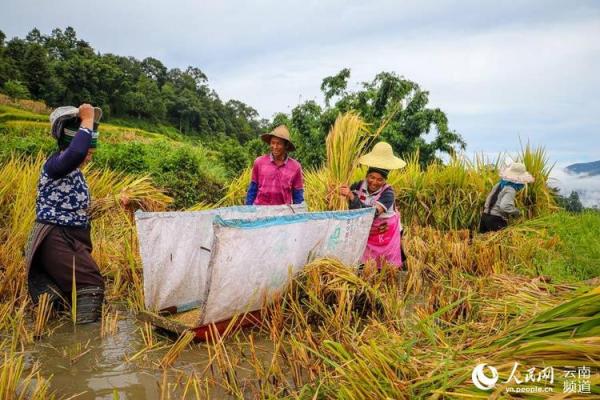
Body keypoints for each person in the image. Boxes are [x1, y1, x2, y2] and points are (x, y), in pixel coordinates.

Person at [24, 103, 105, 324]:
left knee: (60, 299)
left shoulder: (74, 173)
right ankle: (87, 347)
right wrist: (87, 119)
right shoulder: (55, 165)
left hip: (69, 238)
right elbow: (76, 151)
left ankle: (58, 346)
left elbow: (78, 208)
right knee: (89, 284)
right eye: (88, 150)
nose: (88, 155)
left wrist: (116, 202)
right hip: (57, 237)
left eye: (91, 151)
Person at [339, 142, 407, 269]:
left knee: (388, 266)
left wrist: (352, 197)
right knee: (364, 264)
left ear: (385, 180)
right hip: (367, 233)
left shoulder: (388, 193)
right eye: (371, 177)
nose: (374, 182)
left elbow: (372, 214)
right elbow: (346, 201)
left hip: (386, 233)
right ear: (366, 175)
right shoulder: (358, 186)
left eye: (380, 179)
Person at [245, 125, 304, 206]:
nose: (275, 147)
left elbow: (298, 196)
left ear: (286, 145)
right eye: (273, 143)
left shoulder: (295, 167)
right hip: (260, 211)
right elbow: (252, 189)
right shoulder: (259, 162)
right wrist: (248, 210)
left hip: (282, 213)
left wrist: (298, 214)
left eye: (279, 144)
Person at [479, 162, 535, 233]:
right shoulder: (511, 189)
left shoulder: (498, 184)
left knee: (483, 242)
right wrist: (517, 212)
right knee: (500, 243)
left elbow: (488, 199)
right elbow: (505, 206)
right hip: (495, 220)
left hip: (484, 217)